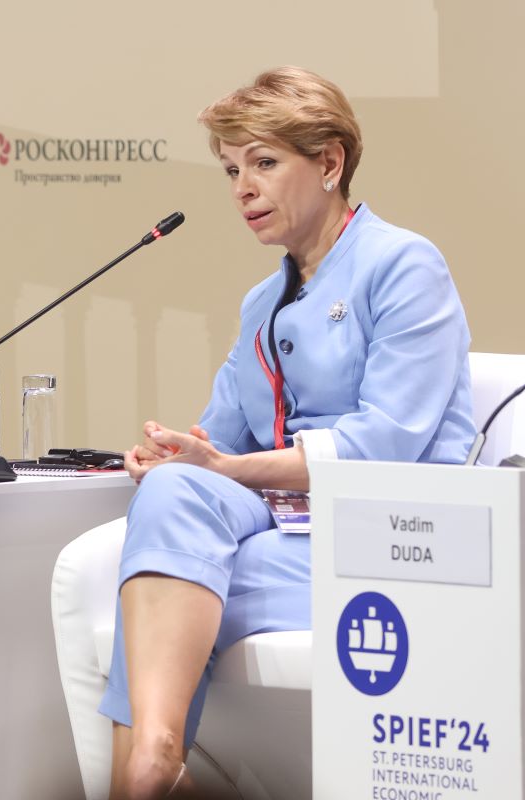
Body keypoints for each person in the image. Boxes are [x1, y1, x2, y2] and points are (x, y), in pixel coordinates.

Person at [99, 66, 473, 799]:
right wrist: (174, 456)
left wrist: (223, 468)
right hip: (289, 528)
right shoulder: (262, 302)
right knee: (171, 504)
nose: (242, 188)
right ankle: (157, 758)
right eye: (231, 170)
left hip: (393, 534)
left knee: (158, 592)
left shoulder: (403, 265)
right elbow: (220, 439)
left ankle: (141, 774)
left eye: (264, 163)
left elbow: (383, 445)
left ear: (330, 162)